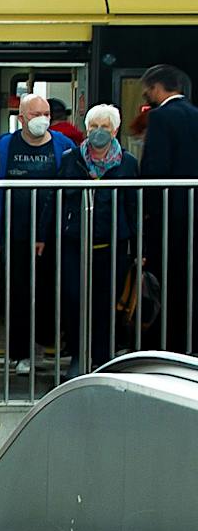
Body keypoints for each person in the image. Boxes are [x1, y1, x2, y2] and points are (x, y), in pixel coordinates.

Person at [0, 92, 77, 374]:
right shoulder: (4, 146)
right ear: (22, 118)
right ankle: (19, 352)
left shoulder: (64, 146)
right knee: (17, 292)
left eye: (46, 114)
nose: (42, 120)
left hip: (54, 236)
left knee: (50, 291)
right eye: (36, 114)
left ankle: (44, 346)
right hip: (15, 232)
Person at [59, 103, 139, 375]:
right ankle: (78, 355)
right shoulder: (71, 158)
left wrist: (140, 246)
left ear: (115, 130)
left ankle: (103, 356)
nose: (99, 132)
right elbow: (54, 199)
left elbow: (133, 206)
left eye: (105, 127)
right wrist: (46, 235)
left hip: (112, 244)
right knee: (72, 299)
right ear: (86, 129)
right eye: (94, 127)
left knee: (106, 301)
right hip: (74, 243)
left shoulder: (127, 163)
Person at [139, 63, 198, 355]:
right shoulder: (196, 115)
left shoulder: (161, 117)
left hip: (170, 216)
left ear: (158, 87)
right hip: (193, 213)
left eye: (148, 90)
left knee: (171, 281)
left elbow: (155, 168)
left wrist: (147, 211)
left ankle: (169, 343)